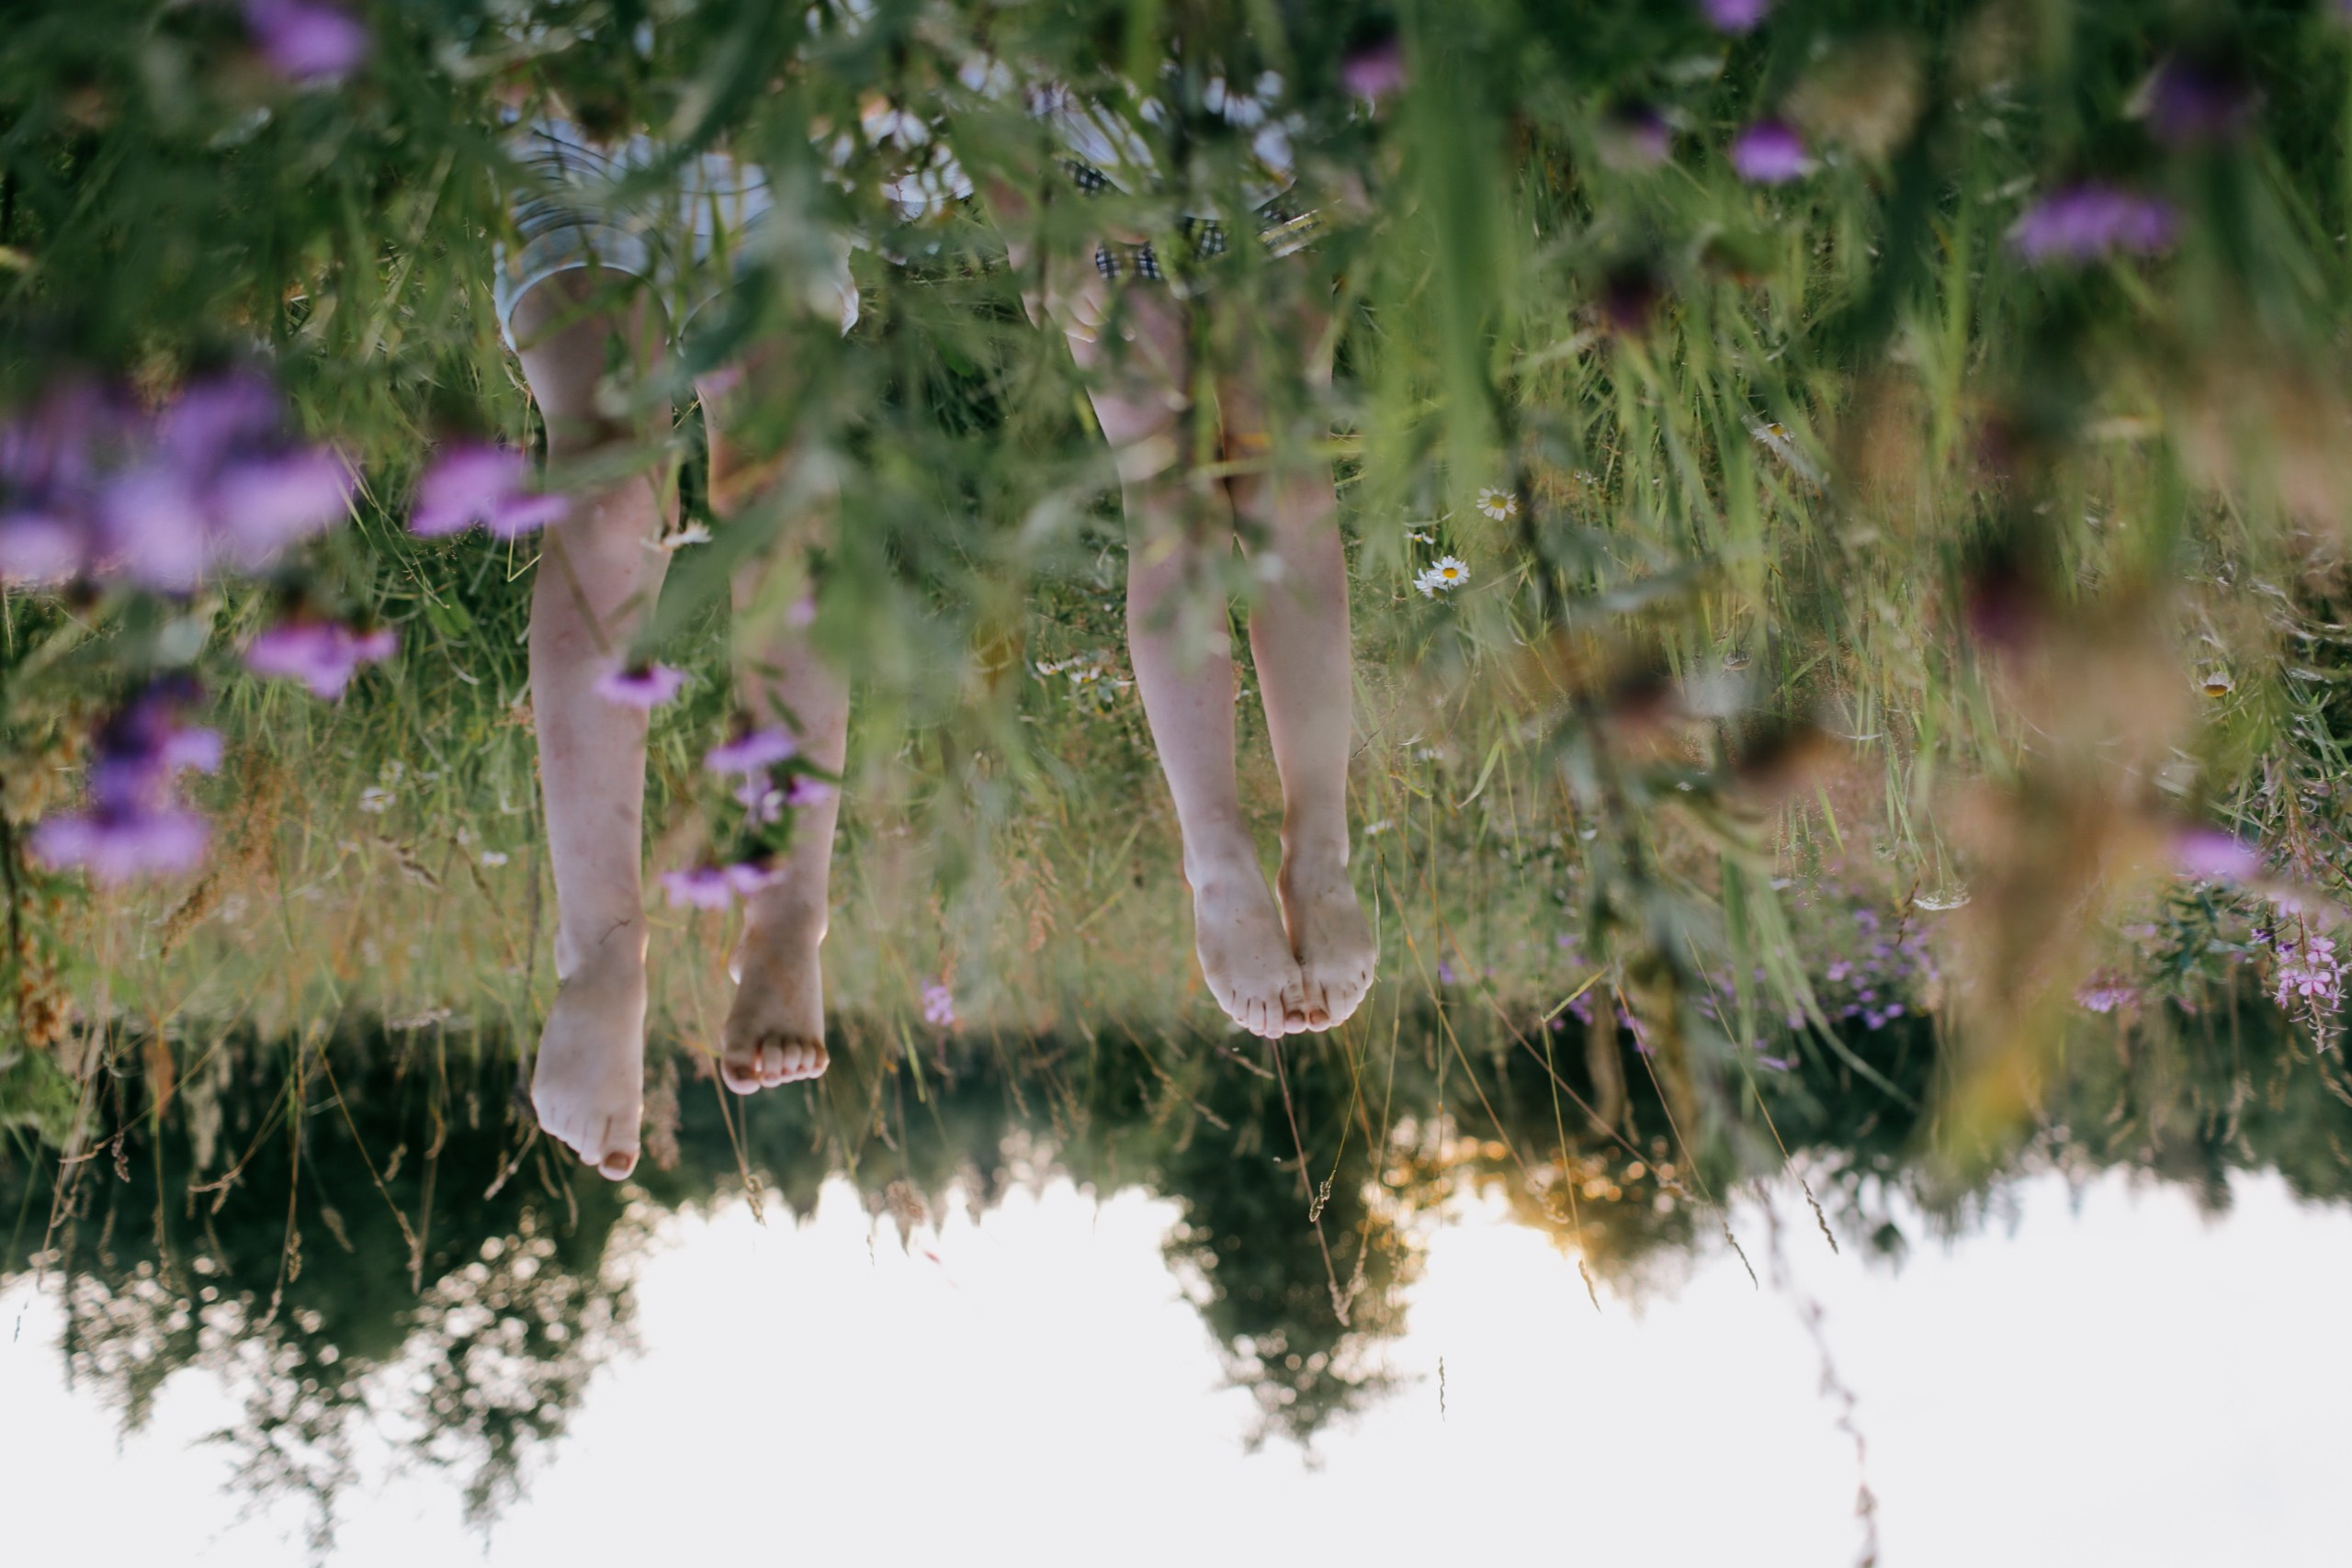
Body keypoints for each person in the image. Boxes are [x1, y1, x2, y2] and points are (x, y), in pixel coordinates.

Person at [490, 116, 854, 1182]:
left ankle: (786, 913)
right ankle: (599, 956)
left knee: (781, 484)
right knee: (607, 481)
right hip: (570, 70)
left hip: (762, 86)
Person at [985, 74, 1378, 1041]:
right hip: (1090, 153)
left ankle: (1319, 843)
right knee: (1170, 496)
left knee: (1282, 477)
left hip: (1258, 143)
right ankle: (1214, 850)